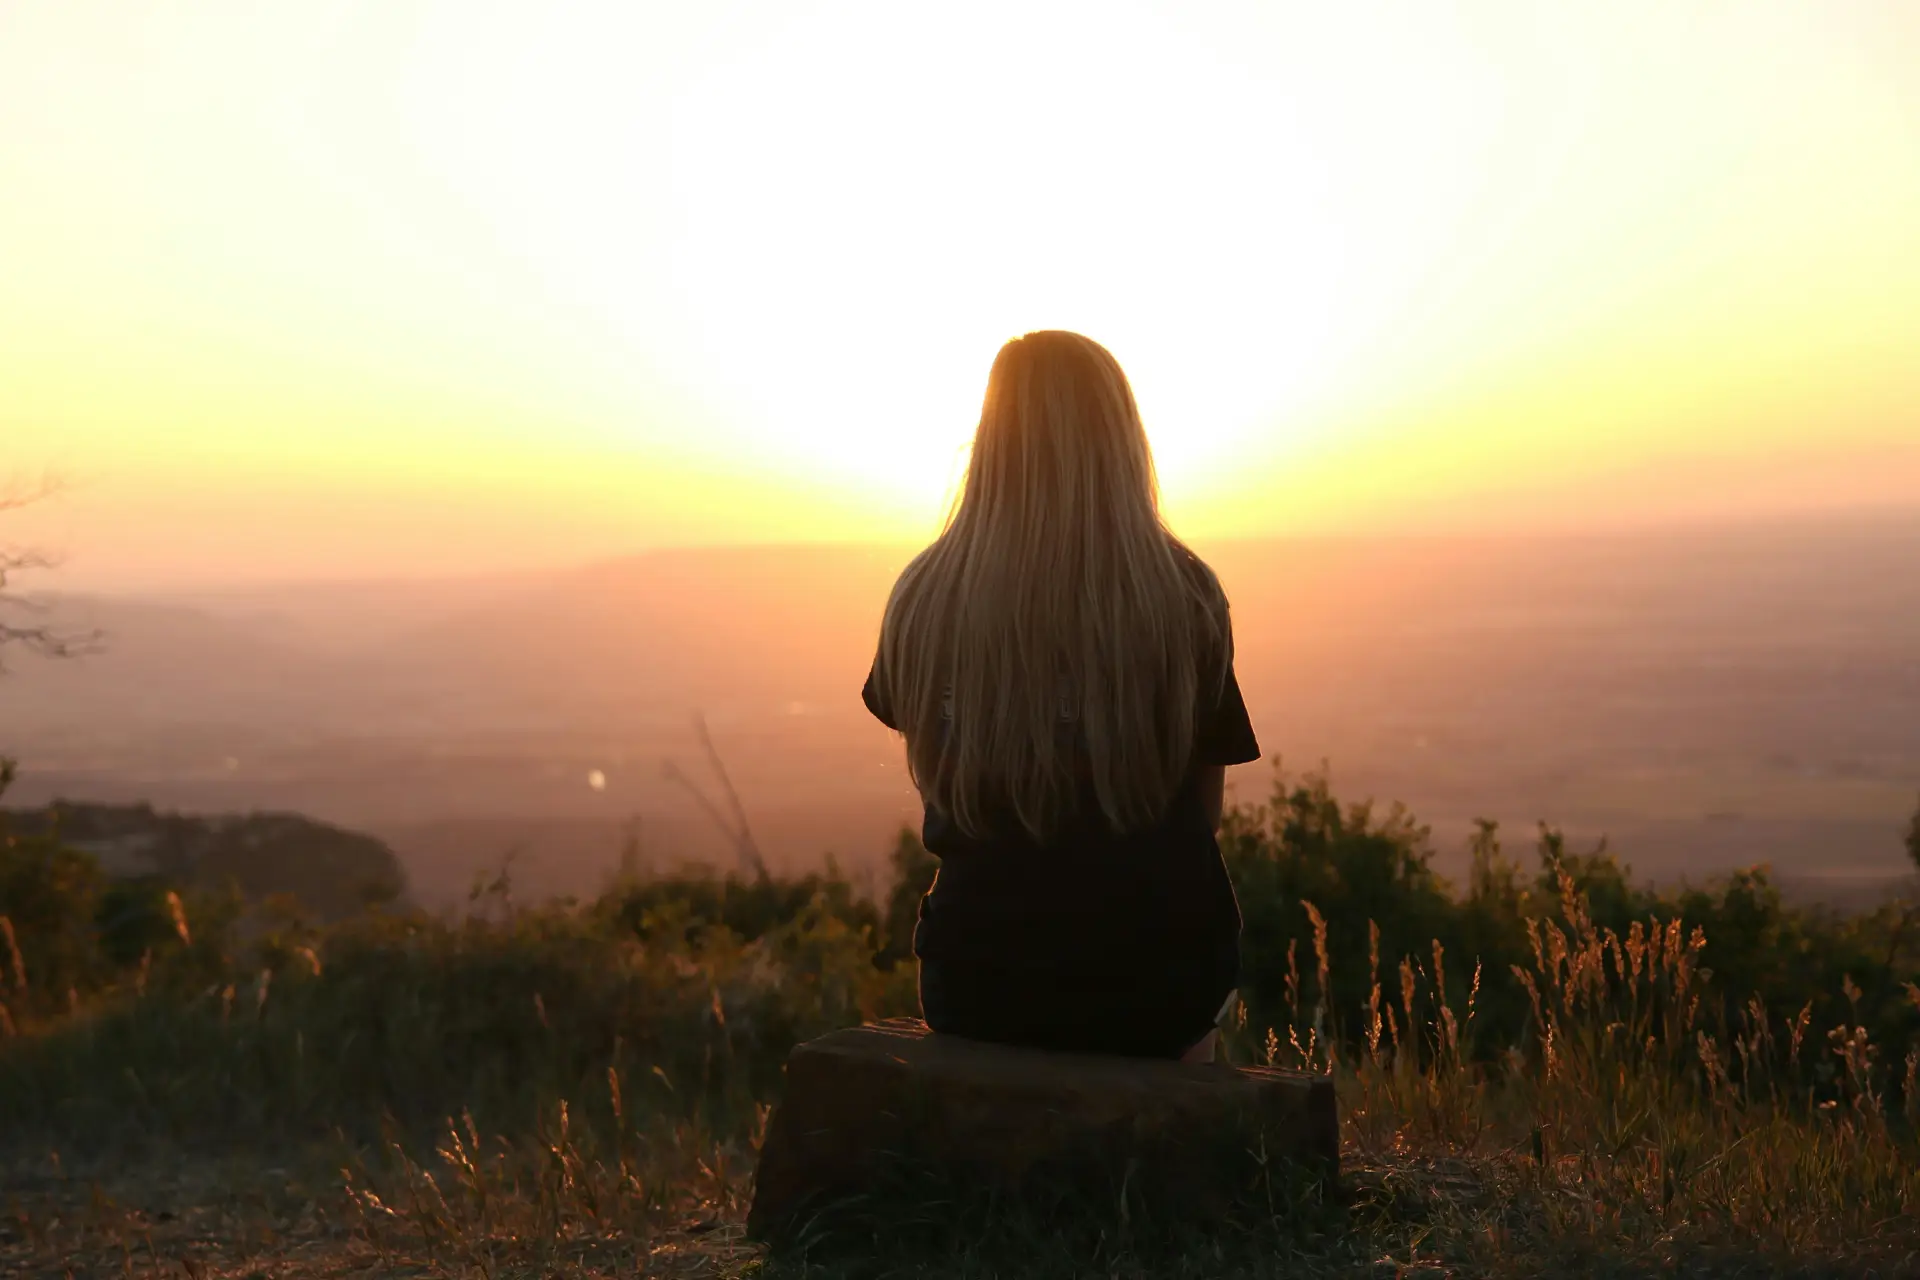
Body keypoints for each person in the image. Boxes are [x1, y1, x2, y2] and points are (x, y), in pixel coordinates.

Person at [860, 329, 1261, 1064]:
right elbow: (1202, 816)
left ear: (990, 440)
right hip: (1159, 982)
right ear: (1121, 443)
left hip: (978, 981)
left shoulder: (922, 598)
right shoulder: (1186, 599)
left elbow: (938, 779)